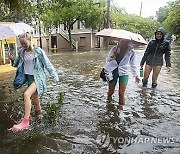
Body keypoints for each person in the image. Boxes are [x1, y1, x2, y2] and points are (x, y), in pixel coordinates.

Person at [9, 33, 59, 131]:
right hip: (29, 78)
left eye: (25, 43)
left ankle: (25, 122)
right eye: (21, 44)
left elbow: (47, 64)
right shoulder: (21, 52)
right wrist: (12, 60)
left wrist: (55, 76)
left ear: (30, 40)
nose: (23, 45)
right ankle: (38, 118)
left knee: (26, 94)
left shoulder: (38, 51)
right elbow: (16, 64)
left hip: (38, 77)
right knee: (36, 101)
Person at [103, 39, 140, 108]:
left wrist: (136, 76)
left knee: (121, 94)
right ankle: (109, 106)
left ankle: (120, 110)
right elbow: (107, 60)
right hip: (112, 71)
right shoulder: (114, 49)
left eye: (126, 41)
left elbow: (133, 64)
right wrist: (112, 56)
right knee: (110, 92)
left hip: (124, 72)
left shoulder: (131, 51)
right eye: (122, 41)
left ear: (129, 42)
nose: (124, 43)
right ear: (120, 41)